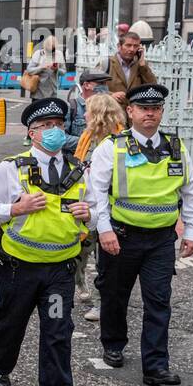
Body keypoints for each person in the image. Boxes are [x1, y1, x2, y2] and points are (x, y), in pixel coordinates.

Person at [0, 97, 90, 386]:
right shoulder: (12, 168)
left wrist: (90, 216)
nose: (54, 131)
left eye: (58, 125)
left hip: (59, 270)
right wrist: (15, 208)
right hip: (20, 267)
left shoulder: (77, 170)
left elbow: (96, 212)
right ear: (32, 133)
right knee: (11, 323)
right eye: (46, 127)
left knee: (57, 332)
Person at [88, 84, 193, 386]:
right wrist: (104, 230)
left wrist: (191, 231)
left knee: (158, 301)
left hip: (161, 240)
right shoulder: (111, 147)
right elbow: (95, 192)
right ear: (131, 112)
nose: (149, 113)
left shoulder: (176, 147)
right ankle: (113, 342)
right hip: (121, 236)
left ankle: (155, 366)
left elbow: (190, 192)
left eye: (155, 108)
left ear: (161, 112)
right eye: (143, 108)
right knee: (114, 294)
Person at [73, 93, 125, 322]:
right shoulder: (87, 138)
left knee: (104, 262)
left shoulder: (119, 141)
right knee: (80, 256)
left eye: (88, 110)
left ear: (98, 115)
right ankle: (82, 286)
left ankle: (101, 303)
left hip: (108, 210)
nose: (84, 114)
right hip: (85, 207)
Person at [105, 28, 157, 104]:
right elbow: (93, 87)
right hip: (112, 111)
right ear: (119, 46)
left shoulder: (141, 65)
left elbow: (153, 86)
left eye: (135, 46)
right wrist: (111, 95)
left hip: (133, 112)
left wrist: (142, 64)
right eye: (128, 45)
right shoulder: (106, 63)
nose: (132, 49)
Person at [64, 69, 111, 150]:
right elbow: (61, 138)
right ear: (86, 85)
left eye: (106, 83)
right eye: (101, 83)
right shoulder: (71, 107)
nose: (105, 87)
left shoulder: (109, 107)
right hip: (77, 159)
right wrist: (88, 143)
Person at [26, 35, 64, 99]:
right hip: (38, 92)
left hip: (53, 92)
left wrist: (57, 69)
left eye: (53, 50)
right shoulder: (38, 54)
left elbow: (63, 72)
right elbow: (29, 70)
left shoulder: (59, 54)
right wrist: (41, 67)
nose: (51, 52)